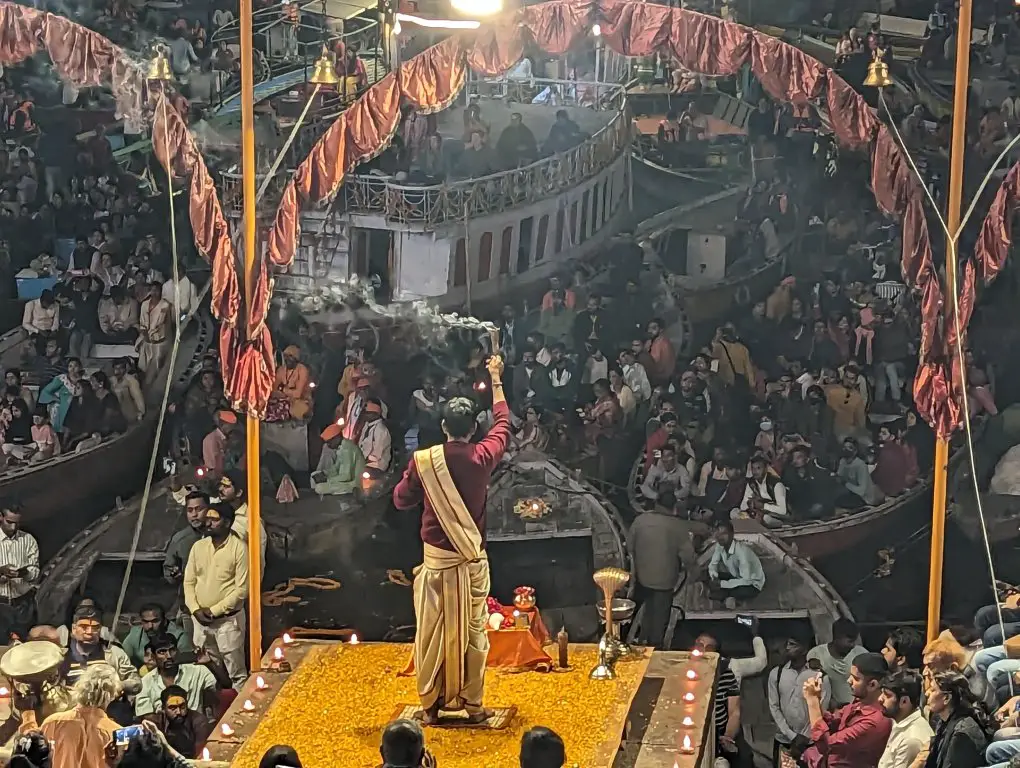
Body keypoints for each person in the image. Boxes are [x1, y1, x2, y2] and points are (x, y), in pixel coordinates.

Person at [392, 354, 510, 725]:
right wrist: (496, 379)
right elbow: (504, 423)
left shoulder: (424, 461)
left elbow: (400, 500)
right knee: (474, 632)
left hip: (437, 564)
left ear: (443, 426)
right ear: (474, 429)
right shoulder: (482, 456)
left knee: (430, 633)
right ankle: (473, 705)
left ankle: (430, 706)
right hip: (472, 563)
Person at [183, 502, 249, 689]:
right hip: (201, 622)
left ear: (227, 523)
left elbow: (242, 589)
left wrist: (213, 611)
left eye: (214, 519)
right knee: (208, 668)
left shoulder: (239, 548)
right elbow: (189, 582)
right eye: (208, 519)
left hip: (227, 622)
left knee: (236, 674)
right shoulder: (198, 547)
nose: (208, 523)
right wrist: (195, 610)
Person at [628, 491, 697, 648]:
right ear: (674, 506)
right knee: (659, 620)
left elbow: (630, 548)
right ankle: (655, 649)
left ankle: (639, 640)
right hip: (664, 583)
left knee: (645, 613)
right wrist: (698, 573)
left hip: (641, 580)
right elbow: (689, 558)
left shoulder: (639, 521)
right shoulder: (677, 526)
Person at [800, 652, 893, 768]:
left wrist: (812, 701)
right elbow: (832, 721)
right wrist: (817, 700)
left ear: (872, 685)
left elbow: (826, 744)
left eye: (856, 678)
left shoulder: (874, 721)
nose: (849, 681)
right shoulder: (860, 702)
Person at [18, 663, 122, 768]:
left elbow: (31, 747)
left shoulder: (53, 722)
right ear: (113, 695)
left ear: (80, 687)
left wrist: (27, 713)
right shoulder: (117, 733)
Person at [770, 634, 832, 767]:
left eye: (793, 645)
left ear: (804, 649)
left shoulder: (819, 675)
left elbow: (821, 709)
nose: (787, 648)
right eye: (787, 644)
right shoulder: (777, 673)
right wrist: (792, 736)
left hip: (810, 742)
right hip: (784, 739)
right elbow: (774, 707)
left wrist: (805, 737)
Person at [61, 601, 141, 698]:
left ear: (101, 630)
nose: (90, 632)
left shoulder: (114, 653)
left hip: (106, 708)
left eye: (95, 628)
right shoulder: (61, 656)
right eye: (84, 627)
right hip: (71, 708)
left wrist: (117, 686)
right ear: (74, 629)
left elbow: (136, 683)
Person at [134, 633, 217, 719]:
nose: (169, 656)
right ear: (153, 656)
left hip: (197, 726)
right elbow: (147, 717)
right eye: (162, 652)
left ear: (178, 651)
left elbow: (221, 690)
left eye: (172, 650)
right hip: (165, 729)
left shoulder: (198, 671)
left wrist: (211, 665)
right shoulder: (145, 682)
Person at [927, 670, 992, 768]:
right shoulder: (943, 722)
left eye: (933, 690)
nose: (927, 693)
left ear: (946, 698)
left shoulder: (962, 733)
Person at [164, 491, 208, 634]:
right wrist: (174, 575)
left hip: (218, 605)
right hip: (190, 606)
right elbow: (168, 568)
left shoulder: (220, 534)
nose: (194, 515)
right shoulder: (180, 539)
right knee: (196, 651)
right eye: (190, 510)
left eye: (199, 509)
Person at [807, 618, 868, 708]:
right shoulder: (816, 654)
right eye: (850, 641)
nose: (853, 645)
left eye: (854, 641)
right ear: (837, 637)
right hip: (827, 711)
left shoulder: (861, 654)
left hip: (857, 709)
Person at [877, 670, 932, 768]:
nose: (880, 699)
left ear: (905, 701)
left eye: (887, 695)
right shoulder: (901, 719)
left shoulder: (911, 739)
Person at [0, 503, 39, 641]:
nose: (13, 527)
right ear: (0, 517)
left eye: (16, 523)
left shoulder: (28, 541)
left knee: (25, 645)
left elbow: (35, 572)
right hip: (1, 604)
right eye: (9, 522)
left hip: (23, 604)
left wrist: (24, 573)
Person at [707, 519, 766, 606]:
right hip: (737, 577)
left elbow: (746, 580)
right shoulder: (720, 546)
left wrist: (721, 584)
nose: (720, 537)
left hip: (752, 584)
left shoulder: (741, 552)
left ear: (732, 534)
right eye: (718, 534)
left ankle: (726, 596)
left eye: (724, 534)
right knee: (707, 574)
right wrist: (714, 577)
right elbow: (713, 565)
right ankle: (723, 593)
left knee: (736, 591)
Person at [147, 685, 213, 759]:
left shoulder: (199, 721)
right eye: (172, 708)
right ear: (163, 708)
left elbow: (200, 751)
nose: (178, 712)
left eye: (182, 706)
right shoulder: (155, 723)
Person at [121, 603, 191, 669]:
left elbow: (186, 666)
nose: (150, 626)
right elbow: (122, 660)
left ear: (164, 621)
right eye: (146, 622)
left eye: (155, 621)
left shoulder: (179, 636)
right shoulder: (135, 634)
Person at [312, 422, 365, 495]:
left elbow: (347, 477)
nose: (328, 445)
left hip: (353, 484)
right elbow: (336, 468)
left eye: (329, 442)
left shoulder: (347, 449)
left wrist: (327, 479)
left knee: (319, 488)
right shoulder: (342, 447)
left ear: (337, 438)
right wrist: (325, 473)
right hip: (344, 479)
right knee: (314, 475)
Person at [736, 453, 789, 526]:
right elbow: (743, 506)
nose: (755, 472)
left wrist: (763, 506)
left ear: (766, 468)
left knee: (766, 519)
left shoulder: (776, 484)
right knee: (735, 512)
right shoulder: (751, 483)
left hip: (776, 517)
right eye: (753, 468)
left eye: (758, 468)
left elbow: (783, 511)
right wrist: (751, 503)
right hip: (757, 513)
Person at [137, 282, 172, 387]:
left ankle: (154, 386)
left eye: (157, 290)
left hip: (160, 341)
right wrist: (146, 336)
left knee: (157, 365)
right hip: (146, 339)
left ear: (161, 292)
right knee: (143, 366)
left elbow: (168, 323)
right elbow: (142, 323)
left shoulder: (165, 305)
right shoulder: (144, 304)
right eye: (153, 290)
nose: (155, 293)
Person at [837, 436, 884, 506]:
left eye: (850, 448)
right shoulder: (842, 461)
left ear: (855, 451)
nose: (846, 450)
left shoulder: (860, 465)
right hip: (851, 494)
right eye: (844, 447)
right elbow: (839, 477)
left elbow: (861, 491)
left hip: (865, 499)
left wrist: (845, 484)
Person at [270, 345, 312, 421]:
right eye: (285, 356)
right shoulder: (281, 369)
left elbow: (298, 394)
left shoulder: (302, 370)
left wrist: (283, 390)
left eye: (290, 356)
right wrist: (280, 394)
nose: (287, 359)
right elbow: (273, 389)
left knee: (298, 409)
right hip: (283, 400)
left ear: (296, 359)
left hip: (300, 402)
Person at [358, 399, 391, 476]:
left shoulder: (381, 430)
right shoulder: (367, 425)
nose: (365, 415)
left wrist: (361, 461)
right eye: (365, 413)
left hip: (376, 465)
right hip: (364, 462)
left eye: (368, 413)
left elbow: (377, 454)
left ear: (376, 414)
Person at [22, 290, 60, 357]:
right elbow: (25, 323)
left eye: (50, 304)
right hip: (36, 331)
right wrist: (38, 330)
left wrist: (54, 330)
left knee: (61, 340)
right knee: (40, 342)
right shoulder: (31, 304)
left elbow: (56, 320)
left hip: (50, 330)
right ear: (42, 301)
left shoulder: (56, 305)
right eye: (48, 304)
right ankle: (42, 360)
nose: (49, 306)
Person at [202, 410, 237, 479]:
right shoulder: (214, 439)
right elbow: (218, 461)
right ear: (222, 425)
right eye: (230, 426)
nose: (232, 428)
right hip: (214, 474)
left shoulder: (219, 437)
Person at [110, 358, 145, 423]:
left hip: (130, 415)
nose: (117, 371)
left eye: (120, 368)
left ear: (124, 369)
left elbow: (138, 398)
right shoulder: (112, 381)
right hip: (117, 416)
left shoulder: (131, 381)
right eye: (116, 369)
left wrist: (140, 413)